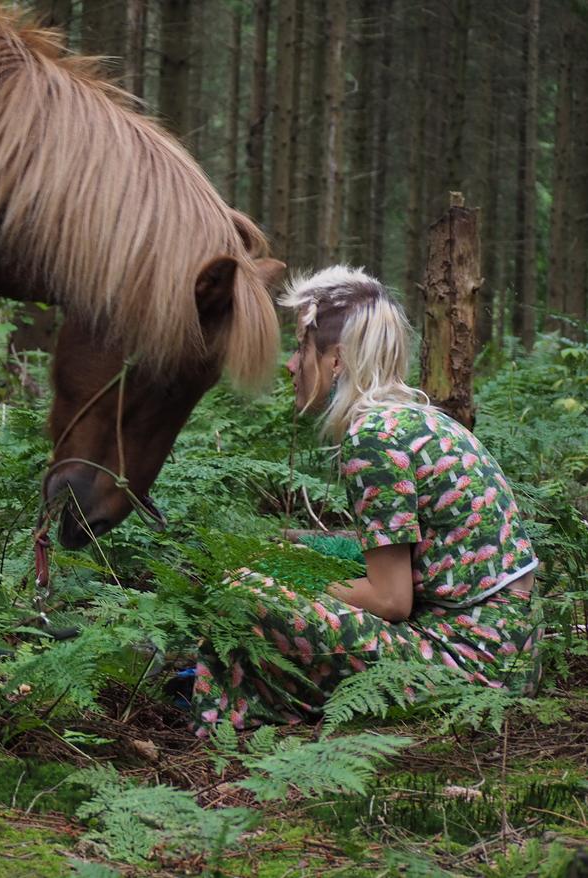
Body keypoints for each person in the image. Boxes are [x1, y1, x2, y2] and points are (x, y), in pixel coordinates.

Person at [173, 266, 544, 736]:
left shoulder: (373, 437)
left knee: (243, 597)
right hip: (512, 654)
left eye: (301, 347)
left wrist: (297, 589)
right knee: (279, 572)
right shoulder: (417, 420)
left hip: (472, 667)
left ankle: (220, 718)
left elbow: (390, 600)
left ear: (337, 360)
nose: (290, 365)